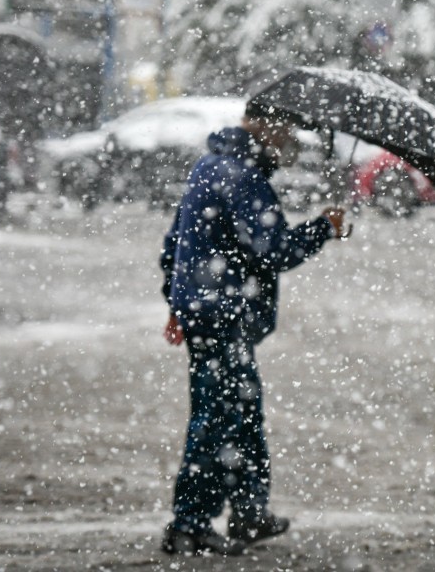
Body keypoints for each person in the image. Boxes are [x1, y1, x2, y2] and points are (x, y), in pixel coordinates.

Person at [158, 111, 348, 556]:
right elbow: (273, 250)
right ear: (258, 125)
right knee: (221, 418)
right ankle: (190, 524)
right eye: (283, 131)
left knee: (240, 412)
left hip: (208, 311)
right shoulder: (242, 177)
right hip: (222, 315)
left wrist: (177, 300)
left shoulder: (211, 166)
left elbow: (175, 243)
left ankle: (248, 512)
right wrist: (325, 227)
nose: (288, 141)